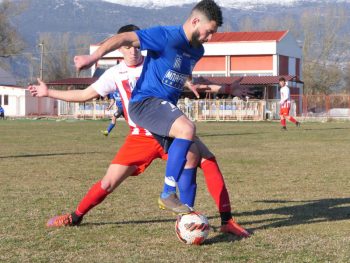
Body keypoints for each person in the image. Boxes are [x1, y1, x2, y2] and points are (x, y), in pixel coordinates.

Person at [28, 24, 250, 238]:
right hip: (140, 136)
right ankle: (75, 216)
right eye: (127, 46)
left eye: (136, 46)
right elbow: (84, 95)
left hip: (168, 131)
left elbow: (190, 83)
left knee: (202, 158)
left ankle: (195, 217)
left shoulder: (156, 61)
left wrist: (226, 88)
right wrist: (48, 93)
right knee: (109, 182)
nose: (133, 50)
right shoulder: (114, 74)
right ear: (120, 48)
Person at [74, 0, 223, 215]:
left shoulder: (197, 51)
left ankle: (190, 217)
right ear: (195, 20)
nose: (209, 38)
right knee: (187, 130)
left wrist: (221, 87)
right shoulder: (165, 36)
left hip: (164, 120)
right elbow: (123, 37)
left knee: (196, 154)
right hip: (145, 109)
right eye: (208, 32)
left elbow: (182, 74)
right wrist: (93, 57)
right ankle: (167, 193)